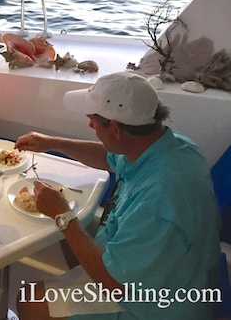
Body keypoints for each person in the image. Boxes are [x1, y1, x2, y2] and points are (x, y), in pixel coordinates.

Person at [14, 71, 221, 320]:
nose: (89, 125)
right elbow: (110, 157)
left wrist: (62, 216)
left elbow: (115, 285)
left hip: (154, 304)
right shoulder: (169, 145)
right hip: (155, 267)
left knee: (28, 299)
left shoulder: (160, 197)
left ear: (114, 129)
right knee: (68, 238)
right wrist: (53, 142)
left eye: (93, 120)